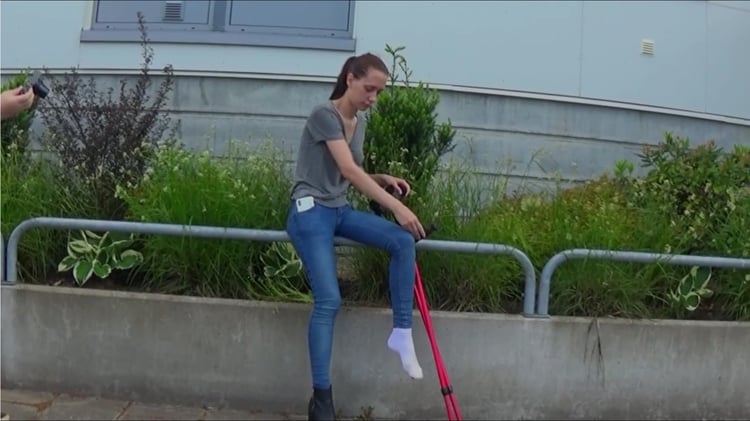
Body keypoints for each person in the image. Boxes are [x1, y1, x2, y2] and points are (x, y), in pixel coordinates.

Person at [286, 52, 427, 421]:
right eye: (369, 89)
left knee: (402, 242)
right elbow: (348, 170)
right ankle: (322, 399)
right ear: (350, 78)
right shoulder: (323, 114)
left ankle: (402, 332)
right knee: (329, 300)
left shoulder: (357, 122)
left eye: (379, 92)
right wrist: (397, 208)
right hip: (309, 211)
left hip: (338, 209)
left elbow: (350, 172)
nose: (373, 98)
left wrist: (382, 179)